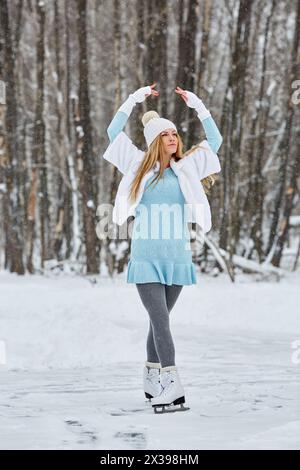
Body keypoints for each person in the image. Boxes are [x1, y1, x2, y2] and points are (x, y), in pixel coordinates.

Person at [103, 84, 223, 413]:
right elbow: (113, 132)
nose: (173, 137)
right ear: (156, 140)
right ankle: (171, 384)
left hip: (178, 260)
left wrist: (198, 105)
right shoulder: (138, 165)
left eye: (174, 133)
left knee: (160, 322)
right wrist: (134, 98)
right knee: (161, 322)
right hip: (146, 259)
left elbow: (215, 142)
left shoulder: (187, 168)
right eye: (166, 134)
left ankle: (150, 378)